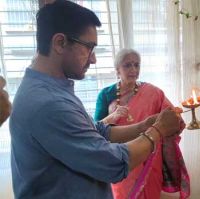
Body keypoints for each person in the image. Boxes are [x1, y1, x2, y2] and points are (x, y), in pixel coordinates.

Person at [9, 1, 182, 199]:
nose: (93, 59)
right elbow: (113, 164)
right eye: (89, 47)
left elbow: (97, 131)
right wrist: (158, 130)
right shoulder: (47, 103)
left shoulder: (54, 89)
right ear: (60, 43)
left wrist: (143, 125)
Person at [94, 49, 190, 199]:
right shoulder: (106, 94)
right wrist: (112, 116)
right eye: (127, 65)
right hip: (123, 158)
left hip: (150, 157)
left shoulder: (154, 93)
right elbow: (95, 131)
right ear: (117, 69)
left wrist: (179, 118)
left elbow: (172, 118)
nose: (133, 70)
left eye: (136, 65)